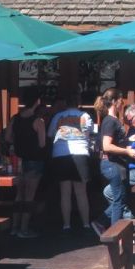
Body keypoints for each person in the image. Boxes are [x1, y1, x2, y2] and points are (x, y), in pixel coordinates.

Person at [95, 88, 135, 232]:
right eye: (121, 100)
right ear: (115, 101)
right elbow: (106, 146)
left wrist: (128, 140)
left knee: (120, 199)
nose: (122, 103)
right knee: (118, 200)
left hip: (117, 165)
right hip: (112, 165)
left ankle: (101, 223)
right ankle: (115, 235)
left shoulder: (113, 120)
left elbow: (116, 142)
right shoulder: (110, 121)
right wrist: (127, 150)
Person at [47, 92, 94, 233]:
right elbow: (89, 135)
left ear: (66, 104)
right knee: (81, 192)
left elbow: (50, 134)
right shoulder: (85, 116)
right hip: (80, 152)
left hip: (61, 154)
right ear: (79, 103)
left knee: (65, 192)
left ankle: (66, 225)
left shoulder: (58, 116)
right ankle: (86, 224)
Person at [5, 86, 48, 238]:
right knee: (29, 196)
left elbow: (8, 137)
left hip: (18, 160)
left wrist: (18, 142)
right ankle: (24, 229)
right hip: (34, 161)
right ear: (37, 101)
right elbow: (42, 143)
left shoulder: (15, 118)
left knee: (19, 195)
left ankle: (14, 227)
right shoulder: (38, 121)